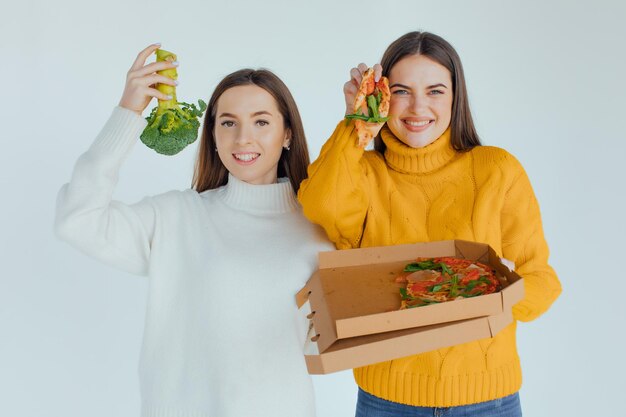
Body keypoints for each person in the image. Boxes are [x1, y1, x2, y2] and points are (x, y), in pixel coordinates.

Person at [55, 43, 333, 417]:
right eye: (228, 122)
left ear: (287, 134)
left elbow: (324, 347)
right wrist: (128, 112)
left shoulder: (320, 230)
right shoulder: (177, 216)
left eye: (262, 122)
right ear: (213, 136)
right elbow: (77, 220)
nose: (242, 138)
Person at [298, 31, 562, 416]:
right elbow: (320, 203)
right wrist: (357, 124)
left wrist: (483, 304)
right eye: (402, 91)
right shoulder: (366, 174)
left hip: (488, 401)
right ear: (383, 98)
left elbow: (541, 280)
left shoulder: (496, 170)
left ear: (456, 98)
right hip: (386, 402)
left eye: (436, 91)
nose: (417, 107)